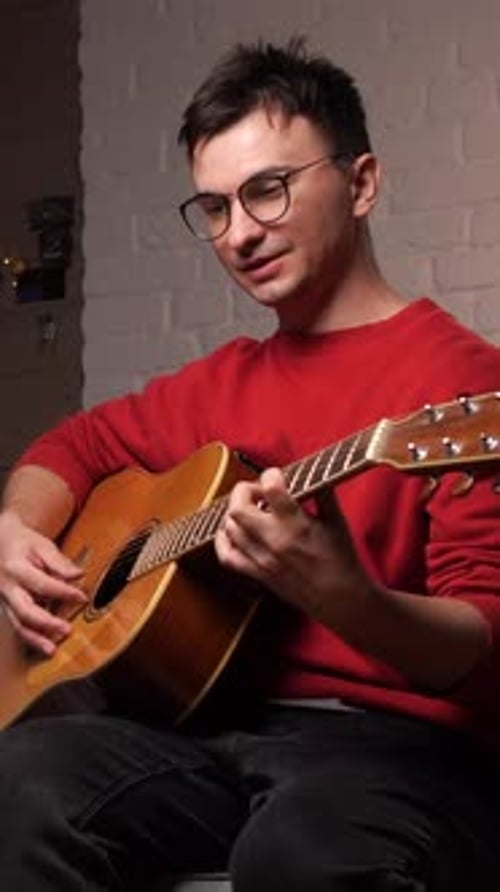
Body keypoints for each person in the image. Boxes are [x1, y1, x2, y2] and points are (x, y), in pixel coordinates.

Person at [1, 37, 500, 892]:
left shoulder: (463, 391)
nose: (239, 234)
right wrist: (16, 530)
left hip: (401, 750)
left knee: (303, 856)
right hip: (214, 730)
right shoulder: (219, 382)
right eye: (215, 208)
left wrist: (344, 598)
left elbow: (485, 652)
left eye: (267, 190)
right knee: (22, 780)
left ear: (362, 182)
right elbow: (71, 448)